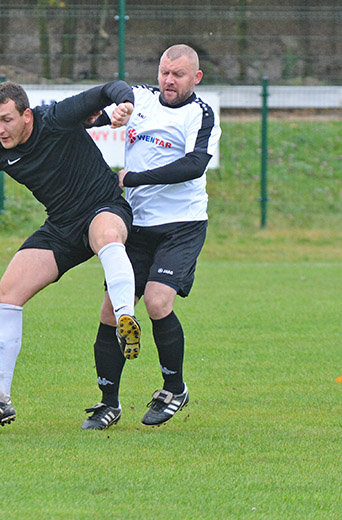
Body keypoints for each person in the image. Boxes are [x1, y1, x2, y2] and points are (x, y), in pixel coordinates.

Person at [0, 80, 142, 433]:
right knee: (5, 296)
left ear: (27, 116)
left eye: (6, 119)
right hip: (62, 227)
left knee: (107, 235)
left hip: (103, 208)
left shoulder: (56, 118)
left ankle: (126, 320)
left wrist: (124, 103)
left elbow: (108, 89)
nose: (0, 129)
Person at [82, 44, 222, 430]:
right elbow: (96, 114)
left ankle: (174, 389)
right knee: (112, 310)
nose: (168, 80)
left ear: (196, 78)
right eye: (164, 71)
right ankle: (108, 402)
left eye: (177, 74)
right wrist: (97, 115)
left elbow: (194, 166)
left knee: (159, 302)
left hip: (182, 224)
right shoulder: (140, 99)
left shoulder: (201, 115)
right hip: (137, 225)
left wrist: (133, 178)